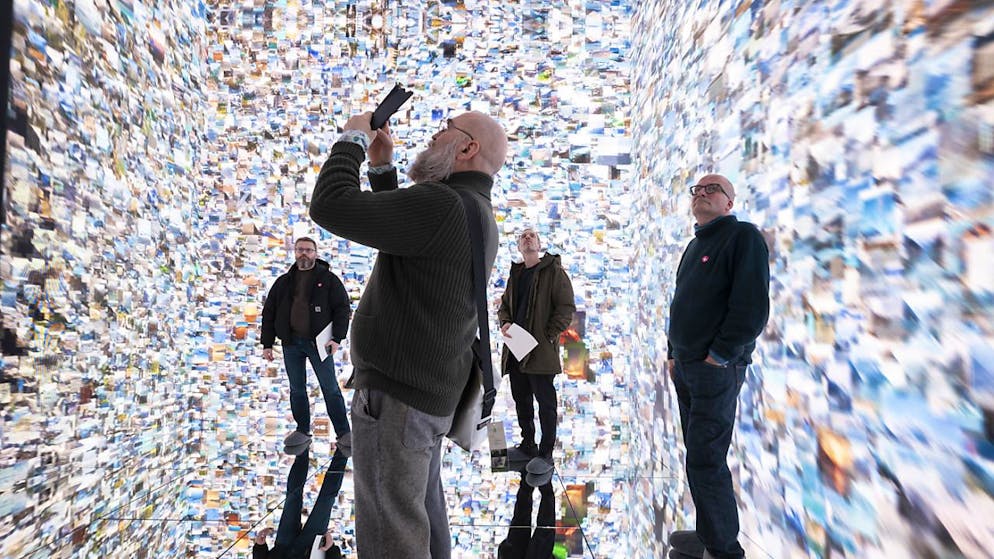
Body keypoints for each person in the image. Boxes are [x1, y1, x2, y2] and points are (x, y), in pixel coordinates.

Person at [308, 110, 509, 559]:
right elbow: (407, 237)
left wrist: (354, 140)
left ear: (467, 147)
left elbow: (329, 204)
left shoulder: (441, 205)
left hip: (398, 402)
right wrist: (383, 169)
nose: (435, 134)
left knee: (391, 531)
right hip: (428, 397)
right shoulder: (471, 209)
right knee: (419, 512)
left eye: (447, 128)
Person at [666, 174, 770, 559]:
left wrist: (720, 355)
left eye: (713, 189)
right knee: (698, 455)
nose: (702, 194)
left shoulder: (743, 237)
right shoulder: (695, 246)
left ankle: (725, 550)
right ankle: (710, 534)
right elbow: (681, 304)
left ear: (730, 203)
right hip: (688, 367)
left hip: (715, 369)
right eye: (697, 189)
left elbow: (752, 307)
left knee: (706, 458)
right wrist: (672, 353)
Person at [261, 237, 352, 455]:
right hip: (290, 343)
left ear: (316, 253)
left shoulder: (328, 280)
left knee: (330, 388)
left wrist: (337, 338)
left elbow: (342, 309)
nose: (304, 254)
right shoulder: (283, 282)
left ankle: (344, 433)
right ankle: (302, 430)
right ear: (294, 252)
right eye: (300, 249)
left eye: (308, 250)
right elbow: (269, 311)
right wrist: (267, 342)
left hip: (319, 343)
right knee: (297, 388)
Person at [497, 227, 575, 481]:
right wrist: (505, 323)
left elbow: (565, 307)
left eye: (532, 235)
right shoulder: (516, 273)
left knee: (546, 403)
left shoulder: (553, 272)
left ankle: (546, 453)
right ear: (519, 246)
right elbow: (505, 306)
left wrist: (548, 336)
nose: (527, 238)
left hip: (540, 350)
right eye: (523, 236)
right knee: (521, 399)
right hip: (517, 346)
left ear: (539, 244)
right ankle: (527, 444)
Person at [252, 448, 348, 559]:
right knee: (325, 501)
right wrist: (332, 550)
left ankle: (302, 445)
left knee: (293, 496)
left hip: (283, 547)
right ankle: (342, 452)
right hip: (311, 549)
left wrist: (259, 547)